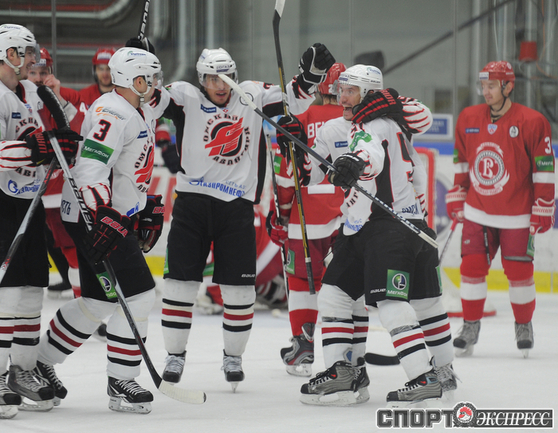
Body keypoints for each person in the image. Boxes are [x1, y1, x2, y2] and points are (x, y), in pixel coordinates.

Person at [150, 44, 335, 391]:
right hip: (191, 205)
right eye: (212, 79)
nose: (220, 86)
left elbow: (293, 99)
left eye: (226, 78)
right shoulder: (186, 96)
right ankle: (175, 355)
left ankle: (233, 358)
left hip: (236, 208)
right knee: (179, 285)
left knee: (239, 291)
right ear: (201, 79)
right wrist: (144, 70)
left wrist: (310, 77)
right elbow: (150, 100)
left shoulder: (252, 95)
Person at [282, 64, 455, 406]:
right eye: (341, 90)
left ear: (370, 95)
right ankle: (345, 372)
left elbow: (369, 154)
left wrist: (354, 163)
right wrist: (294, 144)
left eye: (350, 91)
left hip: (388, 226)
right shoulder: (373, 124)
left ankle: (427, 377)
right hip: (368, 226)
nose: (341, 97)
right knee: (334, 295)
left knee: (393, 303)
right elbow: (307, 174)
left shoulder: (375, 125)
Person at [35, 47, 165, 414]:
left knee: (97, 301)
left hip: (104, 215)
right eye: (148, 78)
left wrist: (143, 205)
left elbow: (128, 170)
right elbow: (91, 169)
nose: (155, 84)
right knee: (139, 294)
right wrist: (103, 216)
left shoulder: (137, 108)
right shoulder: (114, 112)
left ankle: (40, 361)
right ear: (133, 80)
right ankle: (121, 380)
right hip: (96, 218)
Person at [446, 61, 555, 358]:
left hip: (517, 214)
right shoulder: (469, 117)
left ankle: (523, 325)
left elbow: (544, 168)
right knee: (471, 269)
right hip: (477, 212)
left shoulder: (532, 121)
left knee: (519, 273)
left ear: (508, 86)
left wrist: (544, 205)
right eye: (483, 85)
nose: (486, 91)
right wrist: (458, 192)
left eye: (492, 86)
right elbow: (461, 160)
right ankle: (470, 327)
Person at [0, 23, 80, 417]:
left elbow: (68, 122)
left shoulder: (30, 92)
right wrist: (39, 146)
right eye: (27, 52)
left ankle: (22, 370)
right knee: (7, 291)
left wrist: (60, 141)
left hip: (29, 199)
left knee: (34, 287)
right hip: (3, 202)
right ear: (9, 53)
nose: (33, 59)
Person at [266, 63, 347, 377]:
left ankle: (303, 346)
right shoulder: (359, 121)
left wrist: (281, 214)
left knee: (301, 280)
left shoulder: (300, 117)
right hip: (348, 216)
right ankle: (348, 351)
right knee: (346, 284)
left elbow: (287, 175)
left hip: (307, 216)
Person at [27, 47, 82, 300]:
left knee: (72, 248)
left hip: (59, 189)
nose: (39, 78)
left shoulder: (64, 94)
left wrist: (59, 100)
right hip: (25, 188)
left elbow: (81, 133)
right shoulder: (13, 97)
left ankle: (84, 297)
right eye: (33, 72)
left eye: (44, 72)